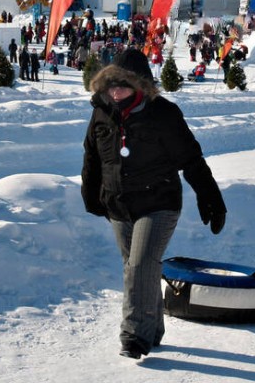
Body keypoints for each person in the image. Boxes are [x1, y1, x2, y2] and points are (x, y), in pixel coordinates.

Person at [81, 48, 226, 359]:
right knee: (135, 268)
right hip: (119, 205)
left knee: (142, 265)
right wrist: (92, 194)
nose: (116, 91)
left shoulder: (163, 114)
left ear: (140, 86)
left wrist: (210, 195)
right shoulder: (101, 112)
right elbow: (93, 155)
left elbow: (190, 158)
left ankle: (134, 335)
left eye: (123, 85)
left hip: (159, 201)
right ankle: (154, 329)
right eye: (111, 85)